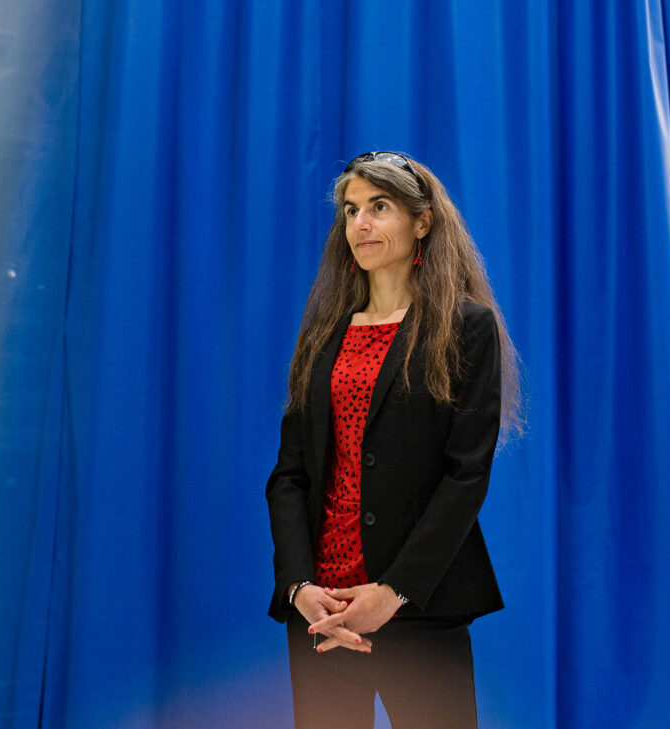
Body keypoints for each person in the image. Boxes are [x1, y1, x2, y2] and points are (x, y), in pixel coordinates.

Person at [266, 151, 521, 728]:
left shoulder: (464, 328)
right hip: (321, 613)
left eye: (379, 207)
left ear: (422, 221)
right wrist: (299, 587)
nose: (360, 224)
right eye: (351, 210)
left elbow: (465, 476)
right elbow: (289, 476)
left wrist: (393, 592)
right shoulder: (323, 336)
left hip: (419, 605)